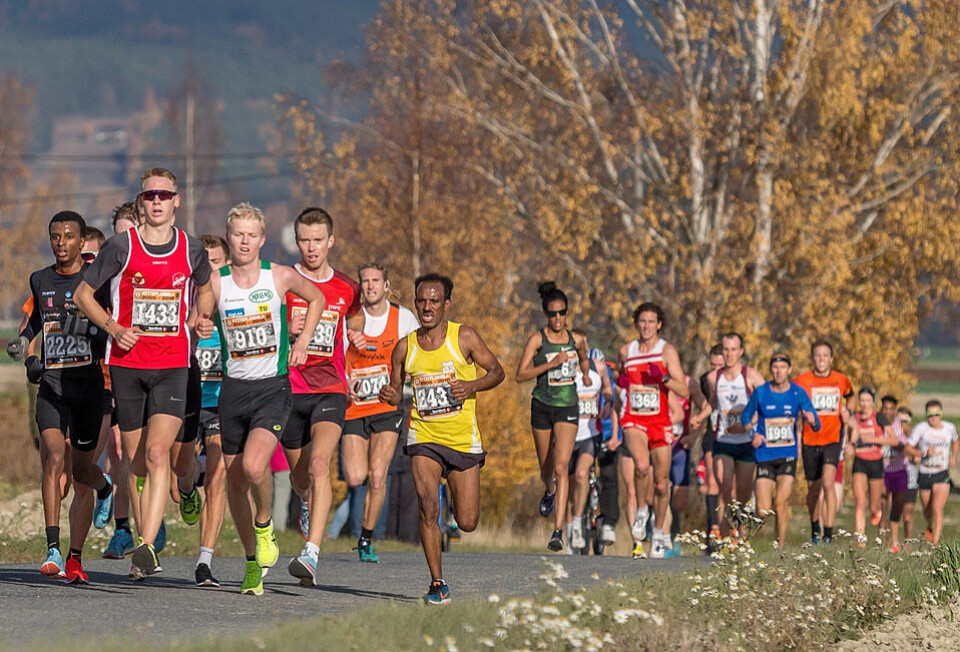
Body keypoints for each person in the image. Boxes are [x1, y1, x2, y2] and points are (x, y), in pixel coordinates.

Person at [75, 168, 215, 579]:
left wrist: (201, 315)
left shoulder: (191, 248)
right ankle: (146, 539)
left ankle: (147, 546)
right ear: (141, 202)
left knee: (158, 454)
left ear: (177, 201)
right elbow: (84, 295)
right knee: (136, 465)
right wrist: (114, 328)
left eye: (163, 195)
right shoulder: (122, 246)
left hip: (173, 365)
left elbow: (205, 287)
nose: (156, 201)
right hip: (127, 366)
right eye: (149, 195)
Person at [197, 202, 324, 595]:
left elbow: (317, 298)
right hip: (232, 390)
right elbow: (199, 317)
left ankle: (265, 523)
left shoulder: (280, 277)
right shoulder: (216, 281)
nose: (245, 241)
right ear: (229, 236)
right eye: (238, 234)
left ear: (262, 239)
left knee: (254, 467)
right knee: (234, 484)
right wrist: (200, 324)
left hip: (272, 387)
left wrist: (302, 341)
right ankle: (253, 563)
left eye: (252, 234)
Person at [379, 273, 504, 604]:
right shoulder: (405, 347)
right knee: (427, 506)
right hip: (425, 436)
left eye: (434, 301)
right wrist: (390, 393)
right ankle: (438, 584)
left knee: (467, 522)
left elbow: (497, 372)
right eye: (421, 301)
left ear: (447, 303)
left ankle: (454, 496)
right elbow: (395, 396)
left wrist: (471, 386)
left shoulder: (463, 337)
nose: (427, 307)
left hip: (463, 440)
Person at [6, 211, 115, 582]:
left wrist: (86, 328)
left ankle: (102, 495)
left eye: (69, 236)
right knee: (53, 458)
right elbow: (36, 320)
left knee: (83, 471)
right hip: (52, 386)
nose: (62, 243)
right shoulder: (40, 279)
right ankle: (54, 549)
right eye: (55, 236)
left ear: (82, 241)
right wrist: (28, 353)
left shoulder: (95, 283)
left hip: (87, 388)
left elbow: (107, 331)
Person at [283, 207, 364, 586]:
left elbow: (356, 315)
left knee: (319, 466)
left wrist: (356, 335)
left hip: (329, 388)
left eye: (318, 240)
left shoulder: (347, 286)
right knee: (301, 477)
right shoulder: (282, 281)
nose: (311, 248)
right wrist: (287, 326)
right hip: (287, 389)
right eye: (304, 240)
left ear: (331, 240)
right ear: (296, 241)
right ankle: (304, 500)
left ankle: (311, 553)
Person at [342, 262, 419, 562]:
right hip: (354, 406)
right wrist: (344, 381)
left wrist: (401, 385)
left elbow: (417, 358)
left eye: (376, 280)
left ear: (386, 285)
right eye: (365, 281)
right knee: (355, 476)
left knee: (377, 474)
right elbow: (337, 357)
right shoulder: (349, 319)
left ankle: (366, 537)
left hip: (387, 407)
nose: (371, 286)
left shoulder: (403, 319)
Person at [514, 282, 591, 551]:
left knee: (562, 467)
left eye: (562, 313)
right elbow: (519, 375)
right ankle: (549, 490)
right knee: (547, 469)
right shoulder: (538, 340)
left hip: (567, 407)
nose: (558, 319)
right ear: (546, 314)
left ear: (567, 313)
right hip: (542, 406)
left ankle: (558, 531)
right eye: (553, 314)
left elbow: (583, 357)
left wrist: (585, 372)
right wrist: (550, 364)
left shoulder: (577, 339)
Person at [615, 303, 689, 559]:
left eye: (651, 322)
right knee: (641, 466)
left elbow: (685, 391)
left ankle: (658, 532)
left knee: (661, 483)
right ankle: (643, 512)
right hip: (634, 418)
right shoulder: (627, 351)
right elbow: (621, 383)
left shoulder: (666, 351)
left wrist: (665, 378)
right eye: (641, 321)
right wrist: (620, 381)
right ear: (636, 323)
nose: (646, 326)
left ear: (659, 324)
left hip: (660, 422)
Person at [101, 201, 149, 560]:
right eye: (118, 235)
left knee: (151, 454)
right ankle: (125, 529)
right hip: (113, 370)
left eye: (129, 233)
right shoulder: (105, 273)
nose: (124, 242)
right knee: (121, 451)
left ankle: (153, 518)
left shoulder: (156, 267)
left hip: (157, 371)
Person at [739, 353, 820, 549]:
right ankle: (744, 529)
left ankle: (779, 550)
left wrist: (811, 420)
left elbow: (816, 423)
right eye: (775, 367)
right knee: (763, 511)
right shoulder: (761, 392)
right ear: (771, 370)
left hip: (788, 455)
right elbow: (745, 418)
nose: (778, 371)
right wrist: (753, 435)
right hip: (765, 455)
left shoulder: (797, 393)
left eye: (783, 367)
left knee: (781, 504)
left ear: (789, 370)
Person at [193, 234, 230, 586]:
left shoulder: (234, 308)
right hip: (186, 402)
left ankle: (205, 561)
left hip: (220, 404)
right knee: (181, 483)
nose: (210, 269)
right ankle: (187, 486)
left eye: (216, 262)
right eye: (205, 263)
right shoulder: (187, 303)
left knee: (217, 480)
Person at [704, 333, 764, 542]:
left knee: (743, 494)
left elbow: (763, 403)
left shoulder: (751, 376)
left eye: (733, 350)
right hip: (723, 441)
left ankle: (739, 532)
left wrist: (747, 423)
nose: (729, 354)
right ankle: (733, 529)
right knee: (725, 486)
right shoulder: (714, 378)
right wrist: (698, 418)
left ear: (741, 352)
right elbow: (712, 404)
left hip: (746, 442)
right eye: (725, 349)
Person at [795, 340, 855, 544]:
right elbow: (793, 403)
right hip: (810, 440)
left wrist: (848, 411)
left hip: (832, 438)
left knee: (828, 483)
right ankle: (815, 531)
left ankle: (828, 534)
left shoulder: (841, 379)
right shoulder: (801, 380)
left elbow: (851, 396)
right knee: (813, 489)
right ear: (813, 358)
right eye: (817, 355)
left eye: (825, 355)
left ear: (831, 359)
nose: (821, 359)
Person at [567, 353, 608, 550]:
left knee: (582, 474)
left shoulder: (598, 368)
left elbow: (609, 393)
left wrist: (608, 402)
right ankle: (567, 534)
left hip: (590, 435)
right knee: (567, 485)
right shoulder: (562, 369)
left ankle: (576, 524)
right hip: (567, 434)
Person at [848, 387, 898, 546]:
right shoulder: (854, 418)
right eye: (861, 400)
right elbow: (846, 437)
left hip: (876, 463)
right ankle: (860, 541)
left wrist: (873, 439)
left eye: (867, 400)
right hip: (859, 463)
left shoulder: (879, 417)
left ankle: (876, 511)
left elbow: (894, 440)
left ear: (873, 402)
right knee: (860, 501)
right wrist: (849, 445)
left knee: (873, 506)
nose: (864, 404)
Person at [665, 373, 709, 551]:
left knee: (680, 502)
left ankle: (671, 531)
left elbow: (706, 408)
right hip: (658, 445)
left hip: (680, 447)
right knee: (660, 491)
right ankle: (666, 536)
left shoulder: (689, 383)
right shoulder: (656, 380)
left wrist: (694, 435)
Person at [905, 400, 958, 546]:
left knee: (937, 508)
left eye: (936, 414)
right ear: (926, 415)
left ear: (941, 414)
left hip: (941, 473)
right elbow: (907, 448)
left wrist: (953, 457)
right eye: (930, 415)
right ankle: (929, 524)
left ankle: (935, 543)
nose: (933, 417)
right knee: (928, 512)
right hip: (924, 473)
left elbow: (956, 441)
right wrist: (923, 453)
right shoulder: (921, 429)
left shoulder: (949, 428)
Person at [690, 344, 724, 547]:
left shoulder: (737, 380)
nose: (716, 370)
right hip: (712, 436)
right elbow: (702, 410)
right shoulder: (705, 381)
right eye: (713, 365)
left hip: (733, 438)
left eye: (721, 365)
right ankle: (714, 530)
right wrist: (693, 435)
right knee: (712, 482)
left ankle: (734, 530)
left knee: (730, 488)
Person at [879, 395, 910, 553]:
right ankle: (884, 544)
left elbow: (912, 441)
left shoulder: (901, 426)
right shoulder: (877, 425)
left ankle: (895, 539)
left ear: (895, 410)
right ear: (881, 409)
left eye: (891, 409)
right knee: (883, 505)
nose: (888, 412)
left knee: (897, 507)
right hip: (883, 472)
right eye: (886, 409)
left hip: (899, 471)